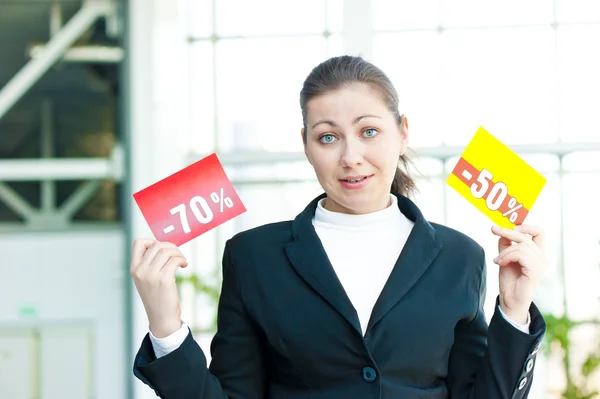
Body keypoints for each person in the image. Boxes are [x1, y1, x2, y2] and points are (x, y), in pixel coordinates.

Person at [130, 55, 547, 399]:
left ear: (402, 134)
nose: (351, 157)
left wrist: (513, 312)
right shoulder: (254, 256)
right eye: (328, 137)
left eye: (369, 131)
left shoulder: (460, 256)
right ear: (306, 144)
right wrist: (165, 326)